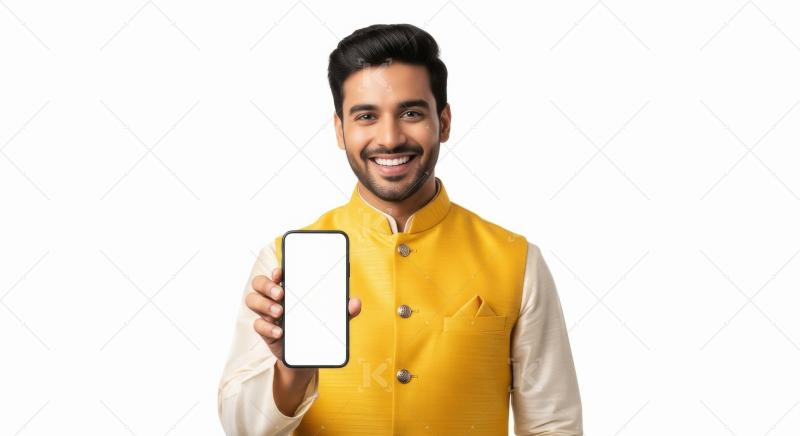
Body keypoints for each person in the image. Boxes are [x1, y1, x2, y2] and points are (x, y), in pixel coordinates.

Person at [218, 23, 583, 435]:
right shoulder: (283, 262)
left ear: (443, 122)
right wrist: (291, 373)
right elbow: (241, 429)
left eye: (411, 113)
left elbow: (554, 425)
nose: (389, 138)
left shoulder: (518, 261)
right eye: (366, 116)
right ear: (340, 130)